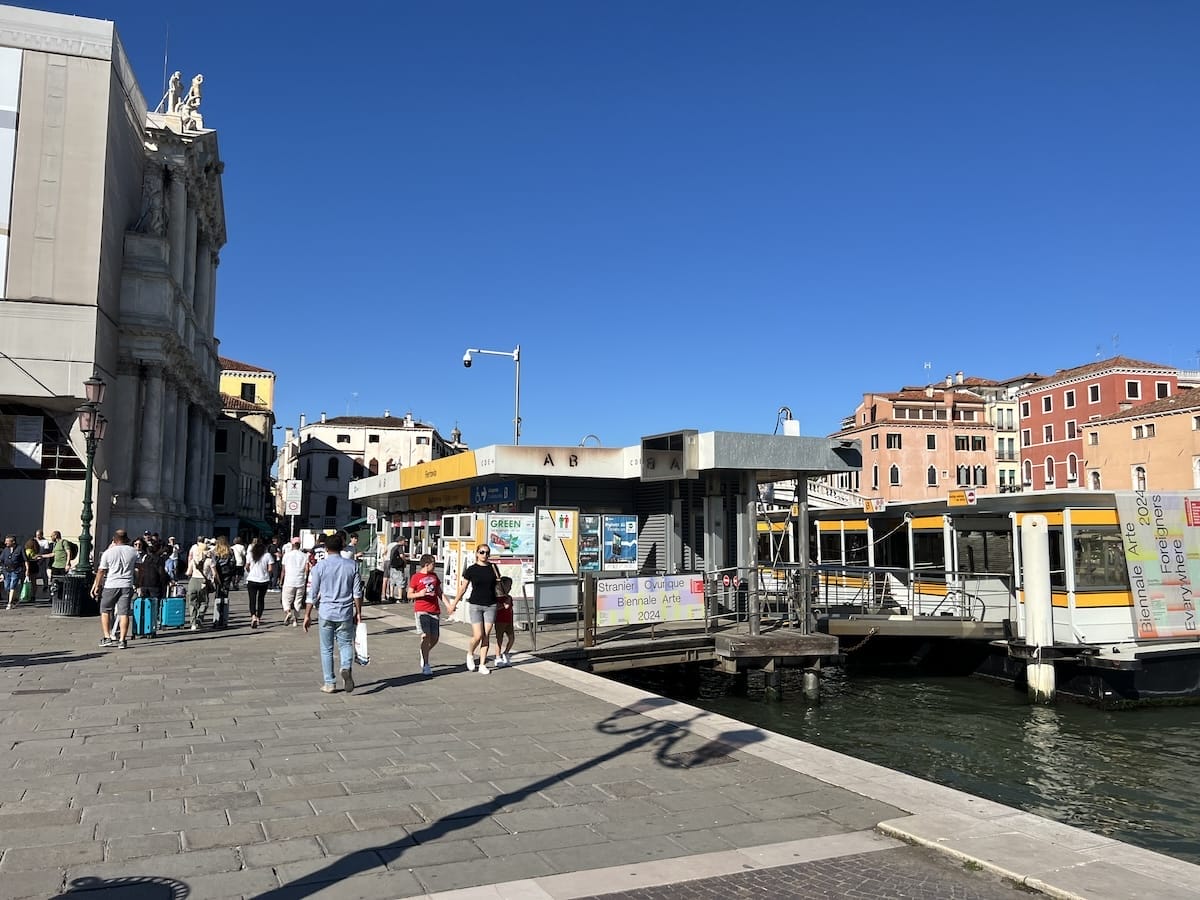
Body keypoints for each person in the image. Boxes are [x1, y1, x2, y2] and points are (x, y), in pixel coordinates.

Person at [303, 532, 362, 693]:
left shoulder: (319, 567)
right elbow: (357, 593)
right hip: (345, 612)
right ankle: (345, 667)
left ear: (326, 548)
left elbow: (312, 594)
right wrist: (359, 613)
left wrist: (307, 615)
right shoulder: (352, 565)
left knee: (326, 648)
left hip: (326, 612)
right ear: (342, 547)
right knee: (345, 644)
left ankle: (329, 682)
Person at [448, 545, 500, 675]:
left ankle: (482, 664)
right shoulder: (471, 570)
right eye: (482, 552)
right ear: (477, 554)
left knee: (486, 636)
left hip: (491, 604)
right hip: (475, 605)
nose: (485, 555)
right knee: (478, 635)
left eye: (487, 553)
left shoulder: (493, 568)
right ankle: (470, 653)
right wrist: (454, 603)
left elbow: (499, 585)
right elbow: (463, 588)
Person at [91, 530, 138, 649]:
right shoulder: (133, 551)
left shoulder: (108, 552)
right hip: (126, 584)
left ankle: (107, 637)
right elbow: (139, 568)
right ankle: (122, 640)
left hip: (111, 584)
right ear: (126, 539)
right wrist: (137, 582)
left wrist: (97, 585)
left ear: (114, 539)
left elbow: (101, 571)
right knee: (124, 613)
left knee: (105, 610)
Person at [410, 554, 447, 676]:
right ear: (427, 565)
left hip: (434, 610)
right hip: (421, 610)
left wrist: (448, 605)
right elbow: (409, 594)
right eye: (433, 564)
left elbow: (439, 592)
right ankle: (426, 664)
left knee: (435, 638)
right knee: (425, 636)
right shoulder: (416, 577)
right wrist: (419, 594)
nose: (435, 566)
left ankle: (424, 651)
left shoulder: (434, 576)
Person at [244, 537, 274, 629]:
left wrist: (250, 571)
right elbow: (270, 569)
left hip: (252, 579)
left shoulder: (250, 555)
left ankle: (253, 616)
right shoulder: (267, 555)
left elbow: (246, 566)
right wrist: (266, 574)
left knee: (252, 599)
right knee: (261, 599)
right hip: (263, 580)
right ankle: (258, 617)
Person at [280, 536, 309, 626]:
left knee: (286, 599)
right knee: (298, 600)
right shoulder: (304, 556)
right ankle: (295, 620)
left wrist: (281, 580)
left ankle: (288, 611)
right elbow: (307, 569)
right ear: (299, 545)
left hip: (289, 580)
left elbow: (283, 570)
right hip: (300, 580)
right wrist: (305, 577)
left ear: (292, 545)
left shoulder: (287, 555)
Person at [185, 538, 211, 631]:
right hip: (203, 582)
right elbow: (213, 574)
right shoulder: (209, 561)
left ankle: (193, 623)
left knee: (192, 603)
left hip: (193, 581)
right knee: (204, 602)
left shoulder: (193, 561)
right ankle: (200, 616)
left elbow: (188, 573)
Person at [211, 536, 237, 628]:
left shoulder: (215, 551)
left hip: (218, 572)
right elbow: (233, 562)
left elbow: (213, 563)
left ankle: (216, 619)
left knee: (218, 594)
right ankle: (224, 619)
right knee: (225, 595)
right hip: (227, 572)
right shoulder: (230, 551)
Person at [493, 576, 516, 667]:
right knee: (499, 639)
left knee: (512, 638)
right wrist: (503, 605)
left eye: (510, 586)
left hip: (508, 620)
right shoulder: (498, 597)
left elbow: (510, 608)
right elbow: (495, 608)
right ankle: (497, 657)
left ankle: (506, 653)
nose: (510, 588)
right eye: (508, 586)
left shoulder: (509, 597)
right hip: (500, 620)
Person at [47, 530, 76, 600]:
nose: (51, 537)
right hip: (55, 565)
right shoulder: (55, 544)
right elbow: (52, 554)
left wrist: (68, 563)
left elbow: (68, 552)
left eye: (51, 536)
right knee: (54, 581)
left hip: (62, 565)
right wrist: (41, 556)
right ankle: (54, 597)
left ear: (56, 536)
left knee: (62, 582)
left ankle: (62, 597)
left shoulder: (64, 542)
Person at [386, 538, 408, 602]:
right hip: (398, 567)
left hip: (392, 566)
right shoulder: (400, 547)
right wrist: (405, 561)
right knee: (400, 582)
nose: (405, 542)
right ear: (401, 541)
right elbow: (401, 556)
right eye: (404, 541)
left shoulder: (394, 547)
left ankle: (391, 596)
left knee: (392, 582)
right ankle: (400, 597)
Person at [34, 530, 52, 598]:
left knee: (43, 573)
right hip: (34, 559)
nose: (37, 536)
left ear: (41, 535)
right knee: (35, 573)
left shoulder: (45, 541)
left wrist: (42, 557)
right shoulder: (34, 540)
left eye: (38, 535)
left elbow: (46, 550)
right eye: (36, 534)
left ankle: (45, 585)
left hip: (42, 558)